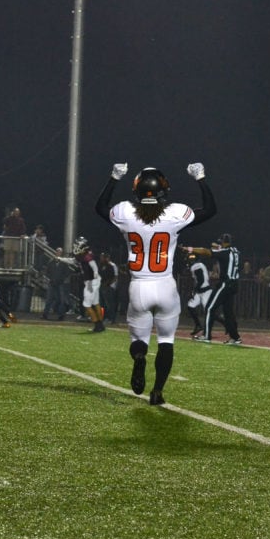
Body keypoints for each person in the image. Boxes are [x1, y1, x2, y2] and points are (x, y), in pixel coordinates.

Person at [96, 163, 216, 405]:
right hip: (165, 286)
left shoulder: (125, 213)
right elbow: (210, 209)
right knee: (166, 341)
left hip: (139, 286)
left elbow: (100, 207)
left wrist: (113, 178)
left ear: (137, 189)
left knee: (138, 340)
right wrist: (200, 178)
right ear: (164, 189)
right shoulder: (174, 214)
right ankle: (157, 392)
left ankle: (140, 357)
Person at [189, 231, 241, 346]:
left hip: (225, 284)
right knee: (228, 313)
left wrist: (191, 249)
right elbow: (223, 250)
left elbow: (206, 251)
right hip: (234, 284)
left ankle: (206, 335)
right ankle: (235, 337)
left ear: (224, 242)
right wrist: (217, 246)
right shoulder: (236, 251)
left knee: (209, 308)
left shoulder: (224, 252)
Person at [65, 236, 104, 332]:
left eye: (77, 244)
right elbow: (73, 261)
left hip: (91, 281)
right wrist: (61, 259)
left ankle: (97, 325)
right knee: (95, 303)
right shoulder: (82, 255)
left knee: (86, 305)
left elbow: (93, 265)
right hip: (93, 281)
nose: (76, 246)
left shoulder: (87, 255)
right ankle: (100, 325)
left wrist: (94, 274)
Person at [185, 252, 213, 338]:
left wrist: (194, 290)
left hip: (205, 291)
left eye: (192, 258)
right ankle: (198, 325)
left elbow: (200, 280)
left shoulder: (196, 266)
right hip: (200, 290)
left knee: (209, 311)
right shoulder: (199, 265)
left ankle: (225, 323)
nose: (191, 260)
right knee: (190, 306)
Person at [42, 247, 71, 321]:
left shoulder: (64, 263)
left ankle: (61, 315)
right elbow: (47, 271)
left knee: (61, 300)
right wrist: (50, 278)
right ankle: (45, 314)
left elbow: (67, 273)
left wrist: (61, 279)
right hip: (52, 283)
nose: (58, 253)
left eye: (60, 252)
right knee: (49, 299)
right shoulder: (51, 262)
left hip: (60, 283)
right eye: (57, 252)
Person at [98, 252, 119, 325]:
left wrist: (108, 284)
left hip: (110, 287)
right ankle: (104, 317)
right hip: (102, 286)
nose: (101, 258)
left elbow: (115, 277)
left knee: (110, 304)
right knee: (103, 304)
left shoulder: (112, 265)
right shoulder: (102, 265)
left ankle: (111, 319)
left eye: (102, 257)